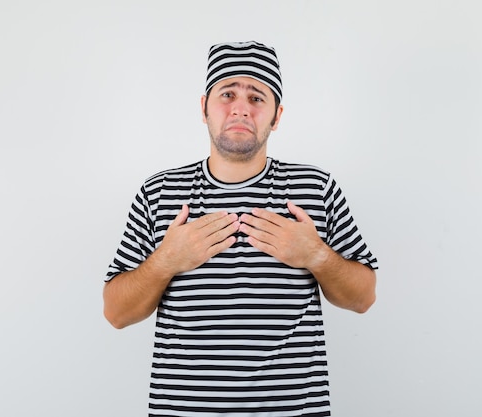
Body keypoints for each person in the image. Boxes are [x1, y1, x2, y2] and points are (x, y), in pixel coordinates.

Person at [104, 40, 379, 417]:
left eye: (257, 97)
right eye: (227, 93)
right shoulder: (159, 193)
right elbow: (116, 312)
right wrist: (166, 260)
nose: (240, 108)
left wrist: (316, 255)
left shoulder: (315, 190)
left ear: (276, 116)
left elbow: (363, 298)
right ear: (204, 107)